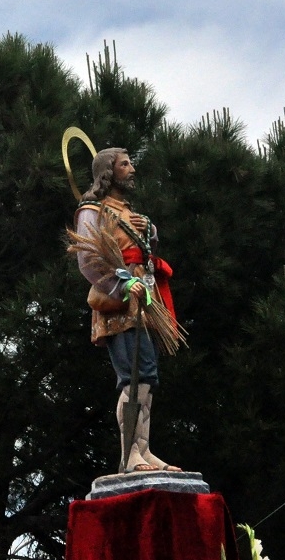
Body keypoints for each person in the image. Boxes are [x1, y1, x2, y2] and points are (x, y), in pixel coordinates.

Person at [74, 147, 180, 474]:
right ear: (109, 170)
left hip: (144, 298)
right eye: (125, 164)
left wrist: (150, 228)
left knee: (146, 375)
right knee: (133, 376)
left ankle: (143, 451)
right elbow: (88, 260)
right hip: (120, 300)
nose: (132, 169)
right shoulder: (92, 209)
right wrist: (121, 286)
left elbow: (143, 251)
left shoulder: (125, 211)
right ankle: (130, 455)